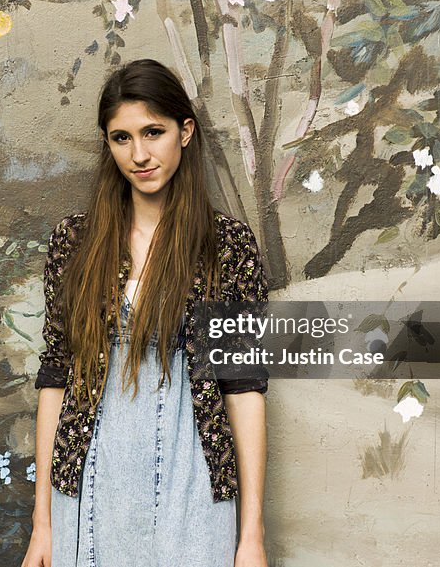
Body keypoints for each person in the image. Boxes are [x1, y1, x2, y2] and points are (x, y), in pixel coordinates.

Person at [21, 58, 269, 567]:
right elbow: (55, 378)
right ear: (107, 143)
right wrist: (42, 523)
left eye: (153, 132)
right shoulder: (75, 242)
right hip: (87, 485)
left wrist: (252, 536)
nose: (139, 154)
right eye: (121, 138)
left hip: (193, 486)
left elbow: (243, 391)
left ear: (185, 131)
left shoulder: (228, 246)